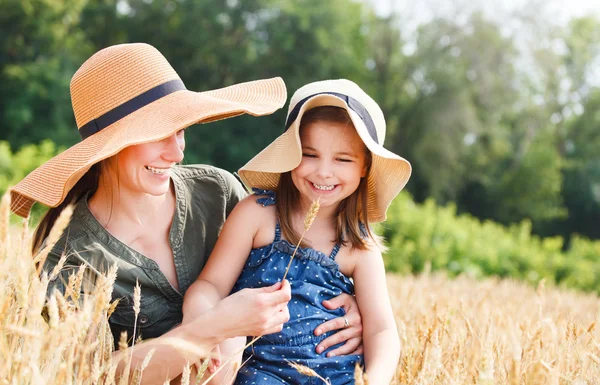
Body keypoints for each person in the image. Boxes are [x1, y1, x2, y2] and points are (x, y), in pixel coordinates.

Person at [9, 44, 364, 385]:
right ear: (109, 145)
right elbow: (92, 374)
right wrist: (212, 328)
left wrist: (341, 304)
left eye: (180, 130)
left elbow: (297, 255)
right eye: (159, 134)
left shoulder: (217, 192)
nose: (176, 152)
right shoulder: (67, 253)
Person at [183, 79, 412, 384]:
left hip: (335, 374)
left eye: (342, 159)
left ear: (364, 168)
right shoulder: (258, 214)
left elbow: (381, 329)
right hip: (259, 371)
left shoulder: (359, 246)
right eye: (310, 154)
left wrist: (375, 380)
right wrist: (203, 322)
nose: (324, 171)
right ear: (289, 153)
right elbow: (210, 284)